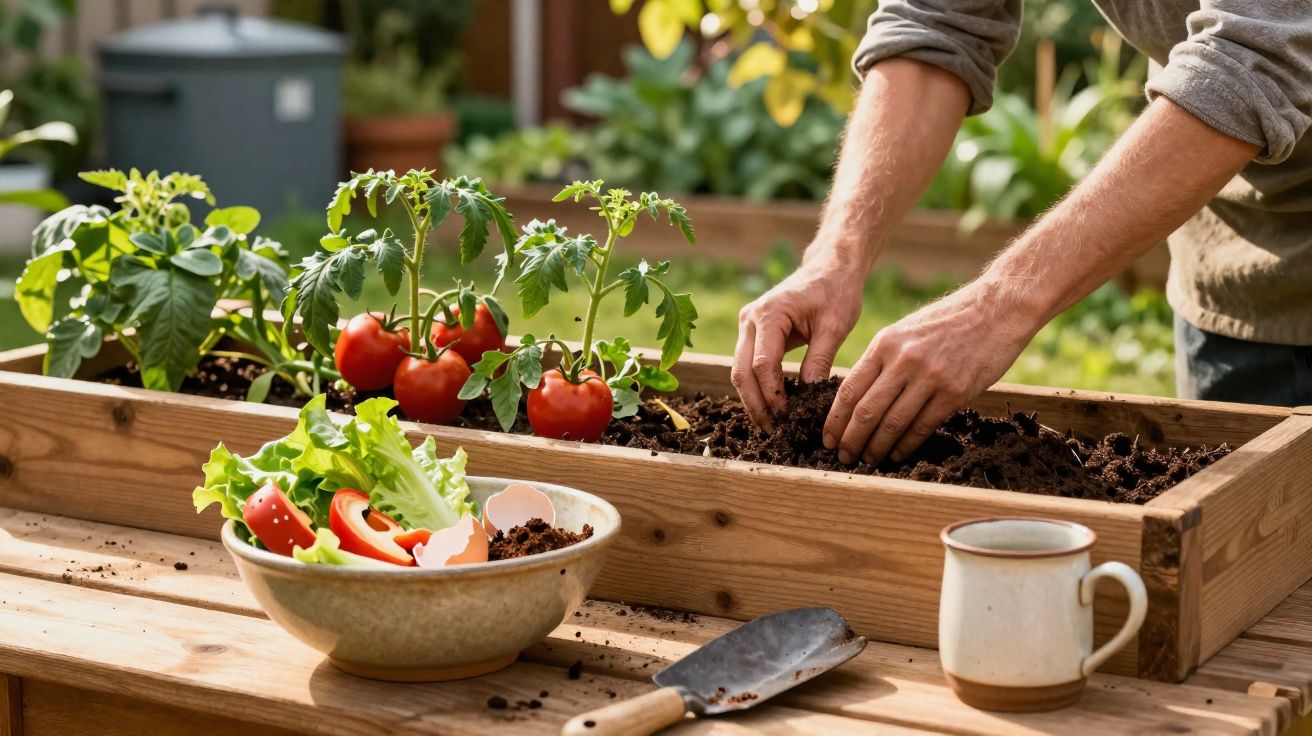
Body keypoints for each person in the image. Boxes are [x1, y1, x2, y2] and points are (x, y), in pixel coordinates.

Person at [733, 1, 1312, 467]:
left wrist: (997, 307)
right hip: (1239, 268)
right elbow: (936, 21)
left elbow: (1255, 52)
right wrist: (835, 256)